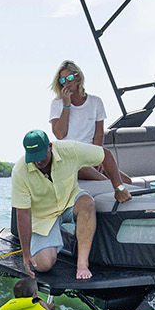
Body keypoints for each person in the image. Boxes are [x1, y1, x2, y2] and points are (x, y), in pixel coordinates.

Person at [10, 129, 104, 281]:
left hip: (69, 201)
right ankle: (51, 243)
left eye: (41, 156)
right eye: (34, 158)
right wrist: (26, 253)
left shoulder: (70, 149)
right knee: (43, 265)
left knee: (87, 203)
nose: (39, 162)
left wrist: (119, 187)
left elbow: (105, 154)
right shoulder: (20, 171)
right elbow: (23, 214)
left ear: (50, 146)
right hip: (43, 216)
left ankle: (82, 263)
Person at [46, 60, 133, 205]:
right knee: (101, 178)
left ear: (78, 77)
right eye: (62, 80)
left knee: (128, 181)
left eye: (68, 78)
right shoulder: (57, 104)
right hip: (69, 156)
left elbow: (99, 134)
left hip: (90, 153)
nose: (65, 83)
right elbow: (60, 134)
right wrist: (66, 105)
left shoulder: (96, 102)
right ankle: (116, 190)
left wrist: (97, 159)